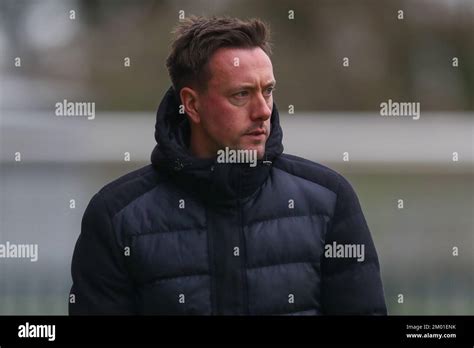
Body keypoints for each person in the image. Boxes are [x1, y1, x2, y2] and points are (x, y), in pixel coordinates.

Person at [69, 16, 387, 315]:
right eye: (241, 94)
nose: (263, 111)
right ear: (192, 104)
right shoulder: (116, 217)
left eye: (268, 91)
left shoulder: (329, 199)